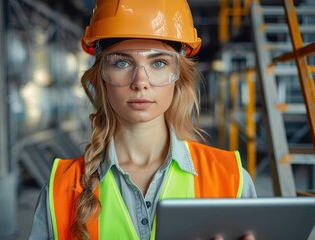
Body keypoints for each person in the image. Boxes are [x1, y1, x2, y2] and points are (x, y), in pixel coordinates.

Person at [29, 0, 257, 239]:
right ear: (102, 76)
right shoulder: (61, 188)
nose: (140, 81)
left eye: (158, 63)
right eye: (122, 62)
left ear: (178, 76)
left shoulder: (230, 178)